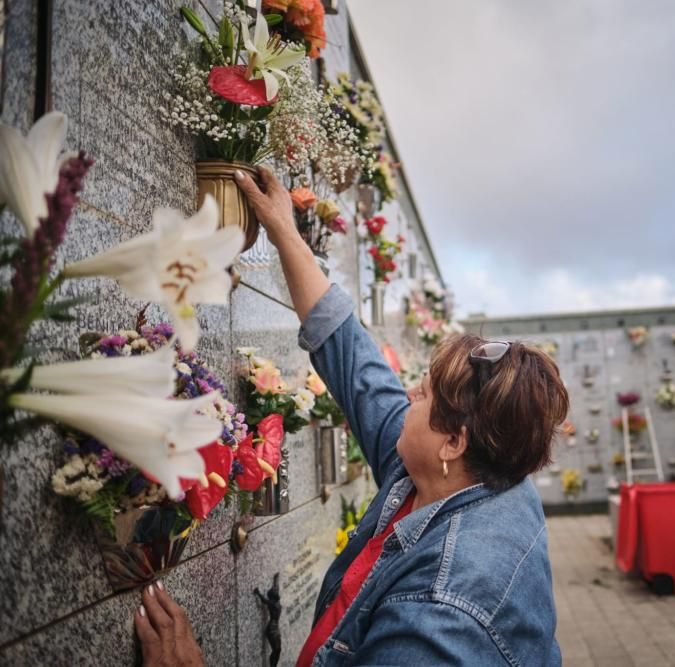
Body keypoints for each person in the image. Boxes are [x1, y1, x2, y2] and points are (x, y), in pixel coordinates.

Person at [134, 167, 568, 666]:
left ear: (454, 442)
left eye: (423, 396)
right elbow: (358, 367)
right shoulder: (470, 476)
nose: (407, 395)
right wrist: (283, 231)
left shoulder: (441, 620)